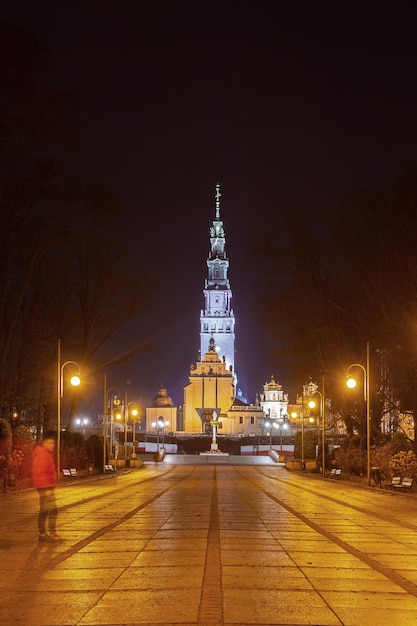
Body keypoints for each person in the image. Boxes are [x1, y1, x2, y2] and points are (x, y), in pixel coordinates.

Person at [31, 435, 62, 541]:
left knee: (44, 510)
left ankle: (43, 534)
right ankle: (51, 533)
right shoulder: (43, 455)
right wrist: (47, 488)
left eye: (53, 443)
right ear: (44, 443)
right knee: (53, 510)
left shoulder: (43, 454)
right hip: (45, 487)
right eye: (50, 443)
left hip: (45, 486)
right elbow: (41, 472)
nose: (52, 445)